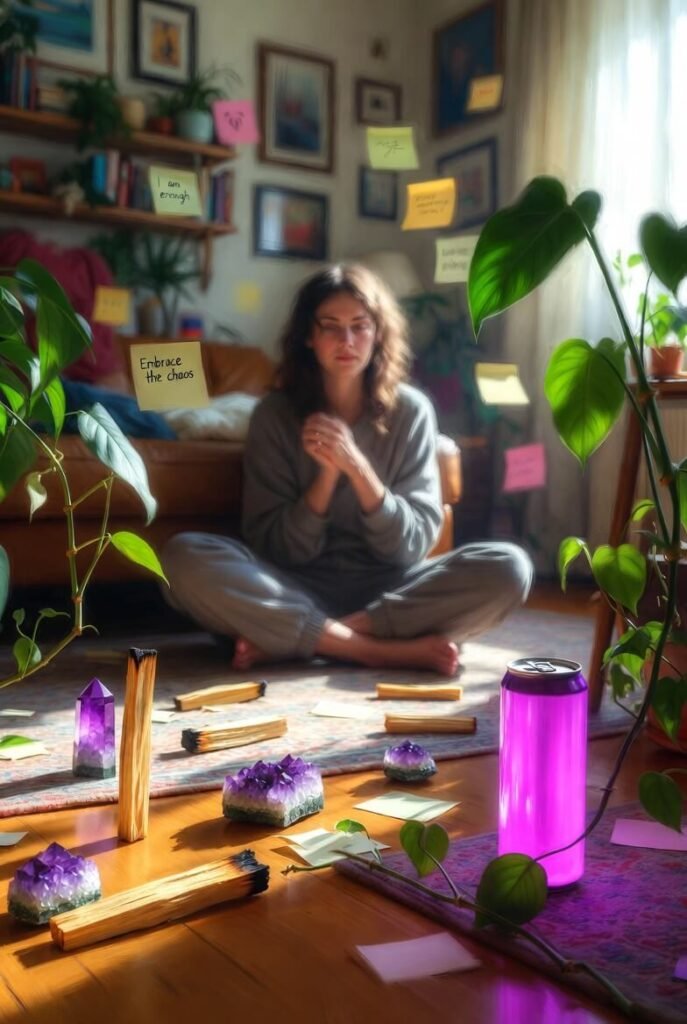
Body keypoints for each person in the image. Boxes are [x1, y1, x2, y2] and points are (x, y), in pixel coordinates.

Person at [162, 264, 533, 676]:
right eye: (331, 327)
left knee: (510, 566)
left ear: (378, 334)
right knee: (181, 557)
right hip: (292, 586)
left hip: (392, 592)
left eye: (360, 326)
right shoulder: (274, 415)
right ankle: (377, 652)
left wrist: (358, 469)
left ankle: (313, 639)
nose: (347, 340)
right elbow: (276, 547)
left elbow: (410, 548)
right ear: (309, 335)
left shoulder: (411, 412)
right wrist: (325, 477)